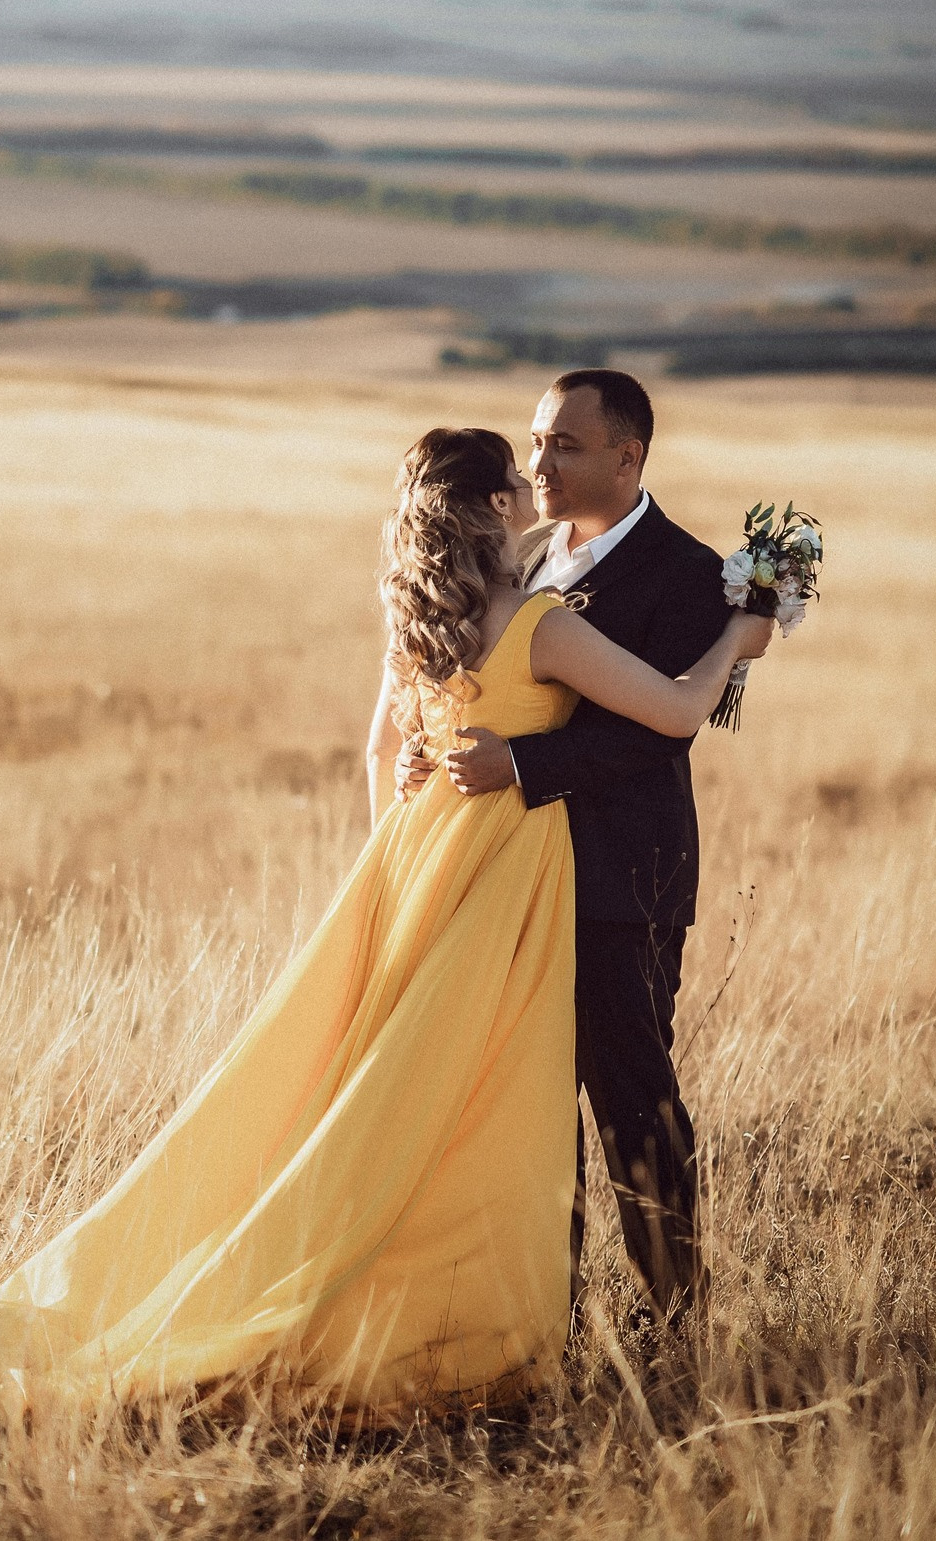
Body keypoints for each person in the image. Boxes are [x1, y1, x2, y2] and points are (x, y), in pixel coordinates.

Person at [0, 423, 772, 1437]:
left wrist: (405, 847)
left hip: (416, 867)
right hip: (507, 874)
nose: (537, 476)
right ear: (497, 506)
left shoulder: (426, 620)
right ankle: (469, 1315)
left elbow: (380, 750)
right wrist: (742, 633)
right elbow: (675, 713)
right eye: (521, 468)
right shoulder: (538, 619)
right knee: (483, 1087)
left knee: (402, 1086)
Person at [407, 370, 729, 1341]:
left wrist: (524, 762)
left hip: (619, 879)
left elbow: (669, 728)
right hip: (511, 878)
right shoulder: (526, 554)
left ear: (628, 457)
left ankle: (677, 1315)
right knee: (529, 1102)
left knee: (630, 1093)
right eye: (538, 440)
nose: (538, 461)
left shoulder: (687, 571)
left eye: (567, 446)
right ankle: (548, 1315)